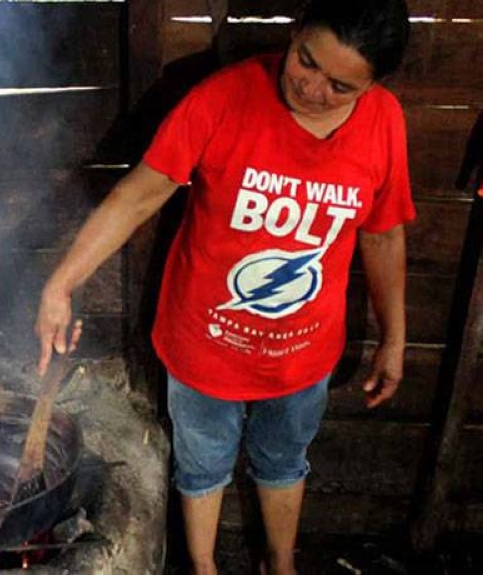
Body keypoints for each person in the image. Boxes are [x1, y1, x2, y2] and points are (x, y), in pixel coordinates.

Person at [33, 1, 413, 573]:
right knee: (202, 466)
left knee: (284, 462)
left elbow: (383, 236)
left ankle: (280, 562)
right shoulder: (224, 97)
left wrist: (395, 336)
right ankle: (204, 565)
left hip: (301, 356)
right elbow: (140, 193)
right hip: (204, 344)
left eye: (339, 86)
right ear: (294, 34)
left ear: (373, 85)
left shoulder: (384, 122)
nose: (311, 88)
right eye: (305, 61)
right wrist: (60, 284)